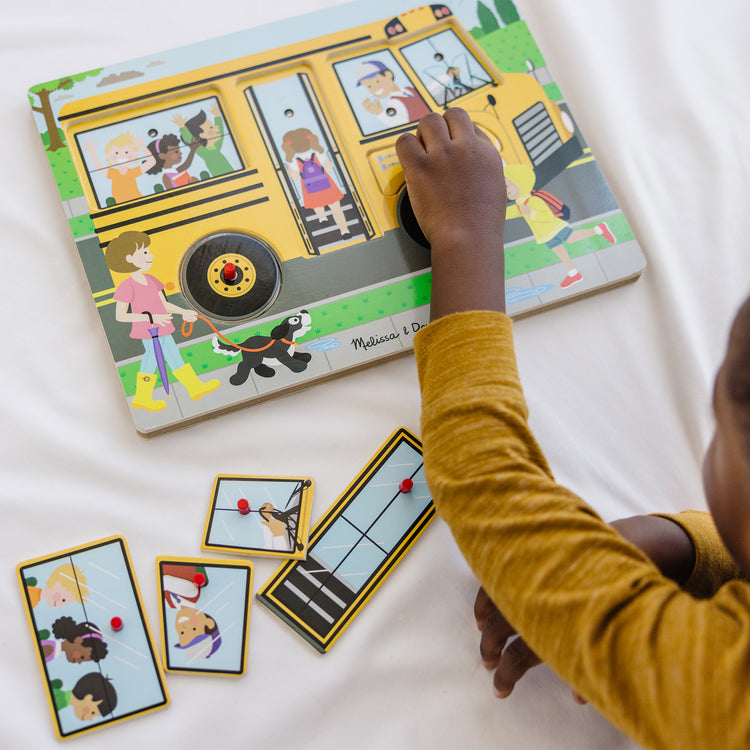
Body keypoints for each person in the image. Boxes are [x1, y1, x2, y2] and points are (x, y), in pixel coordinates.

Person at [396, 107, 750, 750]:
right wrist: (686, 546)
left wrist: (465, 238)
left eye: (718, 424)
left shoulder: (719, 688)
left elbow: (484, 473)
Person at [105, 230, 220, 411]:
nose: (150, 255)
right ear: (129, 258)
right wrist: (151, 317)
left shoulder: (151, 280)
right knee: (151, 358)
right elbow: (120, 316)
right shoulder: (126, 286)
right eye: (144, 253)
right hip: (148, 330)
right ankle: (143, 397)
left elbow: (164, 304)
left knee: (173, 355)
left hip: (163, 326)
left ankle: (194, 387)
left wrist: (183, 312)